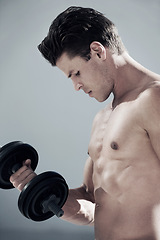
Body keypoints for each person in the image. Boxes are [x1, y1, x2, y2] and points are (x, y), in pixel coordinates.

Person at [10, 6, 160, 240]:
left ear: (98, 51)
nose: (76, 86)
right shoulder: (102, 118)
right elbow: (92, 206)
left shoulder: (153, 99)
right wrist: (40, 192)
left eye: (76, 73)